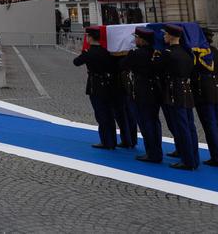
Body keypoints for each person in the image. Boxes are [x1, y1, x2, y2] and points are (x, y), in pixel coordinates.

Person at [154, 24, 200, 170]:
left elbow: (157, 68)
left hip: (175, 89)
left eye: (166, 34)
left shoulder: (167, 53)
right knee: (190, 125)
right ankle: (194, 157)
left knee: (181, 126)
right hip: (186, 89)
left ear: (172, 36)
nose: (164, 36)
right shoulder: (187, 52)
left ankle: (187, 161)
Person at [121, 27, 162, 163]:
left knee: (145, 123)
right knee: (155, 122)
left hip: (141, 91)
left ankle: (152, 153)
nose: (135, 40)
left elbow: (123, 65)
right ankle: (157, 151)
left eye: (137, 38)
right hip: (155, 90)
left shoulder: (135, 54)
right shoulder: (156, 53)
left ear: (142, 40)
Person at [73, 27, 118, 149]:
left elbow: (76, 62)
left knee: (101, 114)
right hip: (108, 85)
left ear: (90, 37)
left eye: (87, 36)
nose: (86, 38)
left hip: (96, 85)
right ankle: (112, 140)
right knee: (109, 114)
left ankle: (106, 141)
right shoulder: (105, 52)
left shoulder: (89, 53)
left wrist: (83, 53)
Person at [193, 27, 218, 167]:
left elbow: (194, 71)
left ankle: (216, 157)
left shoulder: (197, 52)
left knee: (210, 124)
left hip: (203, 88)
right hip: (216, 86)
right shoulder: (214, 50)